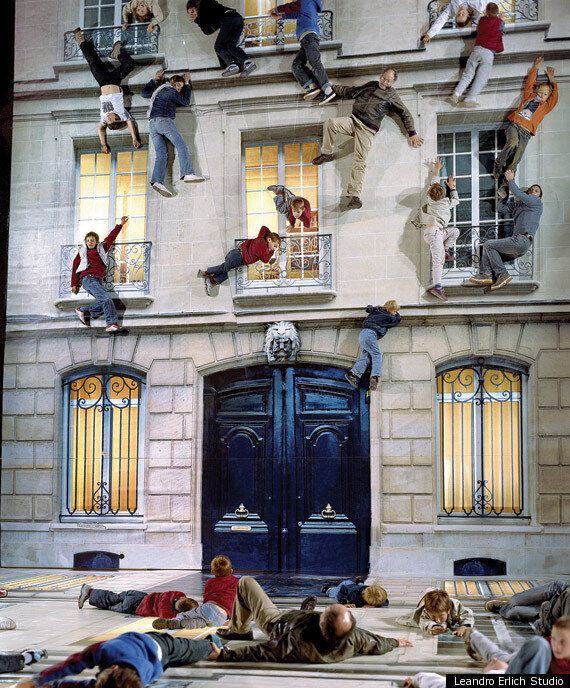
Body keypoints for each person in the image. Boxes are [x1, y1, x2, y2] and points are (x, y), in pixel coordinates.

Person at [206, 575, 412, 663]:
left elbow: (261, 651)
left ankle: (239, 629)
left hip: (278, 622)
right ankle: (305, 610)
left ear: (322, 622)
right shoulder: (351, 637)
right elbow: (375, 642)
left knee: (245, 582)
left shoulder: (294, 645)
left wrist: (224, 655)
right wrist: (395, 642)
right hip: (299, 619)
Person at [312, 69, 423, 209]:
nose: (384, 81)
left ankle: (354, 196)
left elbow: (404, 113)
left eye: (388, 80)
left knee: (359, 161)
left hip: (367, 130)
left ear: (392, 82)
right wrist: (331, 87)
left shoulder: (392, 96)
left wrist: (412, 133)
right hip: (353, 121)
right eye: (383, 78)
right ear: (380, 75)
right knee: (330, 123)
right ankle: (326, 154)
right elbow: (351, 91)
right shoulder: (371, 85)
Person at [17, 631, 222, 688]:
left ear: (112, 667)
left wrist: (41, 681)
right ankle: (210, 645)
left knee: (199, 648)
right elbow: (76, 669)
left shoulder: (106, 650)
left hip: (160, 644)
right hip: (159, 655)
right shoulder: (143, 678)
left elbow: (73, 664)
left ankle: (212, 642)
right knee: (185, 655)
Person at [404, 618, 570, 688]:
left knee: (497, 657)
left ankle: (474, 636)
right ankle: (474, 635)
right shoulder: (544, 647)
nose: (556, 645)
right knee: (503, 657)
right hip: (518, 670)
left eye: (563, 642)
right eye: (554, 639)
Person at [468, 170, 542, 291]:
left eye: (537, 191)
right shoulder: (519, 206)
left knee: (488, 245)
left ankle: (500, 274)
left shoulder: (536, 202)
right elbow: (500, 208)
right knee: (490, 249)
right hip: (518, 245)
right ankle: (488, 276)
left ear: (538, 195)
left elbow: (519, 194)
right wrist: (505, 196)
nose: (533, 191)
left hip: (521, 240)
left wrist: (510, 180)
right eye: (532, 189)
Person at [72, 29, 141, 154]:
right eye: (111, 118)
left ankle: (80, 39)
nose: (108, 116)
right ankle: (117, 53)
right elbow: (130, 123)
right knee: (130, 64)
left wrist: (103, 144)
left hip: (102, 81)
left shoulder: (104, 118)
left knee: (93, 61)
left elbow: (101, 129)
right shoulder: (122, 113)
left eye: (107, 119)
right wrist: (134, 138)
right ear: (117, 118)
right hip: (115, 80)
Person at [141, 69, 204, 198]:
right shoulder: (169, 90)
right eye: (178, 86)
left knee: (162, 154)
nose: (179, 90)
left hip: (152, 124)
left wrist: (155, 80)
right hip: (163, 120)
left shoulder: (159, 89)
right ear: (173, 82)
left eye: (181, 88)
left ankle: (157, 181)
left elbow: (144, 93)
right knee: (181, 146)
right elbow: (185, 101)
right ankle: (187, 173)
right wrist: (186, 84)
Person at [493, 57, 558, 179]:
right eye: (540, 92)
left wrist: (552, 79)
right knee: (512, 142)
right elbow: (530, 82)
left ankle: (507, 178)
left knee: (518, 155)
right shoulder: (529, 95)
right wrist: (536, 68)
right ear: (536, 91)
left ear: (548, 96)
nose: (542, 95)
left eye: (545, 94)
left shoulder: (546, 106)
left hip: (526, 134)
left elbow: (555, 97)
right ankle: (498, 163)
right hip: (515, 126)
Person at [269, 0, 335, 105]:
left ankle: (328, 90)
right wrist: (282, 17)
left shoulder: (306, 1)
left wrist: (276, 9)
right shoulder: (308, 6)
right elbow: (297, 14)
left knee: (315, 62)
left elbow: (290, 6)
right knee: (296, 65)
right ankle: (312, 86)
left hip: (309, 37)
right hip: (306, 39)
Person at [72, 216, 129, 333]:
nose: (90, 242)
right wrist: (74, 284)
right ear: (85, 242)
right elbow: (75, 266)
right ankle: (111, 324)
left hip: (98, 280)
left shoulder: (102, 248)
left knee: (106, 302)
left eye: (92, 240)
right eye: (87, 241)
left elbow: (111, 237)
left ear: (96, 241)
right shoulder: (82, 252)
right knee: (107, 299)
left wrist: (120, 225)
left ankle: (83, 310)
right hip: (88, 279)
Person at [414, 159, 460, 302]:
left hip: (435, 232)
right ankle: (437, 287)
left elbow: (433, 183)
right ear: (442, 195)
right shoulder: (446, 203)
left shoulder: (430, 199)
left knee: (454, 232)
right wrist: (452, 187)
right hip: (434, 233)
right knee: (437, 261)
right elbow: (456, 200)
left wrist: (437, 169)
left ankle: (446, 251)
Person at [153, 555, 238, 630]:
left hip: (210, 607)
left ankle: (176, 621)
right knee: (203, 623)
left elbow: (207, 598)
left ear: (212, 571)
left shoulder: (210, 582)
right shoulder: (235, 581)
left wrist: (203, 608)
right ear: (231, 571)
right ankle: (190, 623)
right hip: (222, 617)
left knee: (186, 615)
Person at [449, 2, 504, 108]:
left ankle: (456, 94)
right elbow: (500, 38)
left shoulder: (482, 20)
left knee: (467, 75)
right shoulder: (500, 22)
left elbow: (479, 29)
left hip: (477, 50)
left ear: (486, 12)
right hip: (488, 53)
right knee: (481, 78)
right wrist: (501, 20)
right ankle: (470, 98)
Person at [198, 227, 281, 296]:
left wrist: (269, 236)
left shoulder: (261, 238)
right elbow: (265, 260)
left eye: (276, 248)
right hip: (238, 257)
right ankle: (206, 273)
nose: (274, 249)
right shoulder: (264, 250)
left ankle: (212, 280)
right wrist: (271, 251)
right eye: (275, 246)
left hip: (239, 256)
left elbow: (264, 228)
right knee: (224, 268)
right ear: (269, 240)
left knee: (228, 271)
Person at [186, 0, 256, 77]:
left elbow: (205, 7)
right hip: (237, 19)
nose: (193, 14)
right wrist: (197, 20)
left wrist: (198, 16)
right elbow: (207, 31)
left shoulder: (205, 4)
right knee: (230, 45)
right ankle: (248, 62)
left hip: (229, 17)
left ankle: (233, 65)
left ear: (196, 6)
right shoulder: (206, 16)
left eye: (192, 11)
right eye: (191, 14)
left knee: (219, 46)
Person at [344, 300, 401, 392]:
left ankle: (353, 375)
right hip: (370, 334)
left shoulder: (377, 311)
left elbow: (370, 309)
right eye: (394, 311)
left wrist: (376, 307)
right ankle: (374, 377)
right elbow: (397, 320)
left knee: (365, 356)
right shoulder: (387, 316)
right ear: (390, 309)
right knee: (377, 355)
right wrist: (396, 314)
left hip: (364, 334)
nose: (395, 313)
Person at [485, 581, 569, 634]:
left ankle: (504, 607)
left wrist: (543, 623)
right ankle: (508, 604)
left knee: (512, 612)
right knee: (514, 600)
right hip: (556, 591)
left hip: (549, 612)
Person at [77, 583, 196, 618]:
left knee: (114, 597)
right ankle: (91, 595)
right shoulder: (168, 612)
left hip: (138, 595)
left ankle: (90, 591)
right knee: (112, 605)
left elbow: (179, 597)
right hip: (135, 607)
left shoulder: (177, 594)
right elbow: (166, 616)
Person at [396, 588, 474, 636]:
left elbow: (467, 614)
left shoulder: (455, 605)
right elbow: (423, 621)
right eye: (433, 616)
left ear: (448, 610)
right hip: (424, 596)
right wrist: (433, 626)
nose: (437, 620)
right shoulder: (425, 611)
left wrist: (464, 626)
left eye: (441, 616)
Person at [421, 0, 488, 43]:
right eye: (462, 15)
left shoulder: (453, 9)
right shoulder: (480, 6)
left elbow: (441, 19)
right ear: (468, 15)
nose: (461, 12)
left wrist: (429, 34)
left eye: (458, 14)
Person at [320, 579, 389, 609]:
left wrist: (375, 606)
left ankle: (360, 582)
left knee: (360, 585)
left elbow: (385, 602)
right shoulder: (353, 595)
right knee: (335, 593)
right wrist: (345, 604)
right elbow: (341, 594)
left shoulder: (372, 592)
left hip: (359, 587)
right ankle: (328, 590)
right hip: (345, 586)